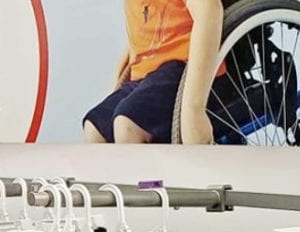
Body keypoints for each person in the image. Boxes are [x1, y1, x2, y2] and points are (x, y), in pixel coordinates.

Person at [84, 0, 224, 144]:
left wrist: (194, 109)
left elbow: (209, 10)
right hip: (146, 71)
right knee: (95, 128)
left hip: (185, 64)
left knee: (128, 127)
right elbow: (140, 32)